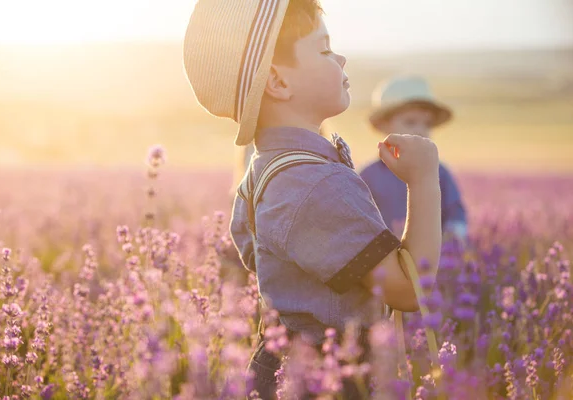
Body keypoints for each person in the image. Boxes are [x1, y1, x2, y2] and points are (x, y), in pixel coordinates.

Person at [183, 1, 442, 398]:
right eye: (323, 49)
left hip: (285, 368)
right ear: (277, 82)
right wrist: (424, 179)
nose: (340, 57)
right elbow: (409, 291)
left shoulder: (265, 170)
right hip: (330, 378)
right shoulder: (315, 184)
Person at [360, 76, 468, 243]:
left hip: (432, 262)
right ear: (384, 125)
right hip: (385, 261)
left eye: (427, 124)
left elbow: (456, 215)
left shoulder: (440, 173)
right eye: (410, 122)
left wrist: (452, 239)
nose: (420, 130)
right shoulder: (369, 176)